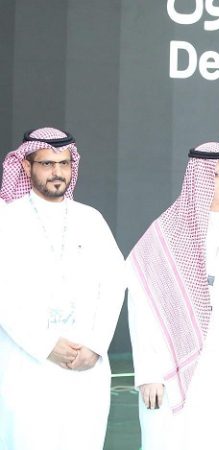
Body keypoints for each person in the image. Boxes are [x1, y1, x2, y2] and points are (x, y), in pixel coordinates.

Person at [127, 143, 219, 450]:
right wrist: (149, 372)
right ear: (200, 179)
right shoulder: (166, 233)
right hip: (176, 366)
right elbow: (141, 308)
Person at [0, 127, 126, 449]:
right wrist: (45, 345)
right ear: (26, 166)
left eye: (64, 164)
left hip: (86, 366)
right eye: (47, 164)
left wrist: (95, 345)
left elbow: (114, 283)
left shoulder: (91, 219)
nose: (57, 173)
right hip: (27, 364)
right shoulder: (7, 220)